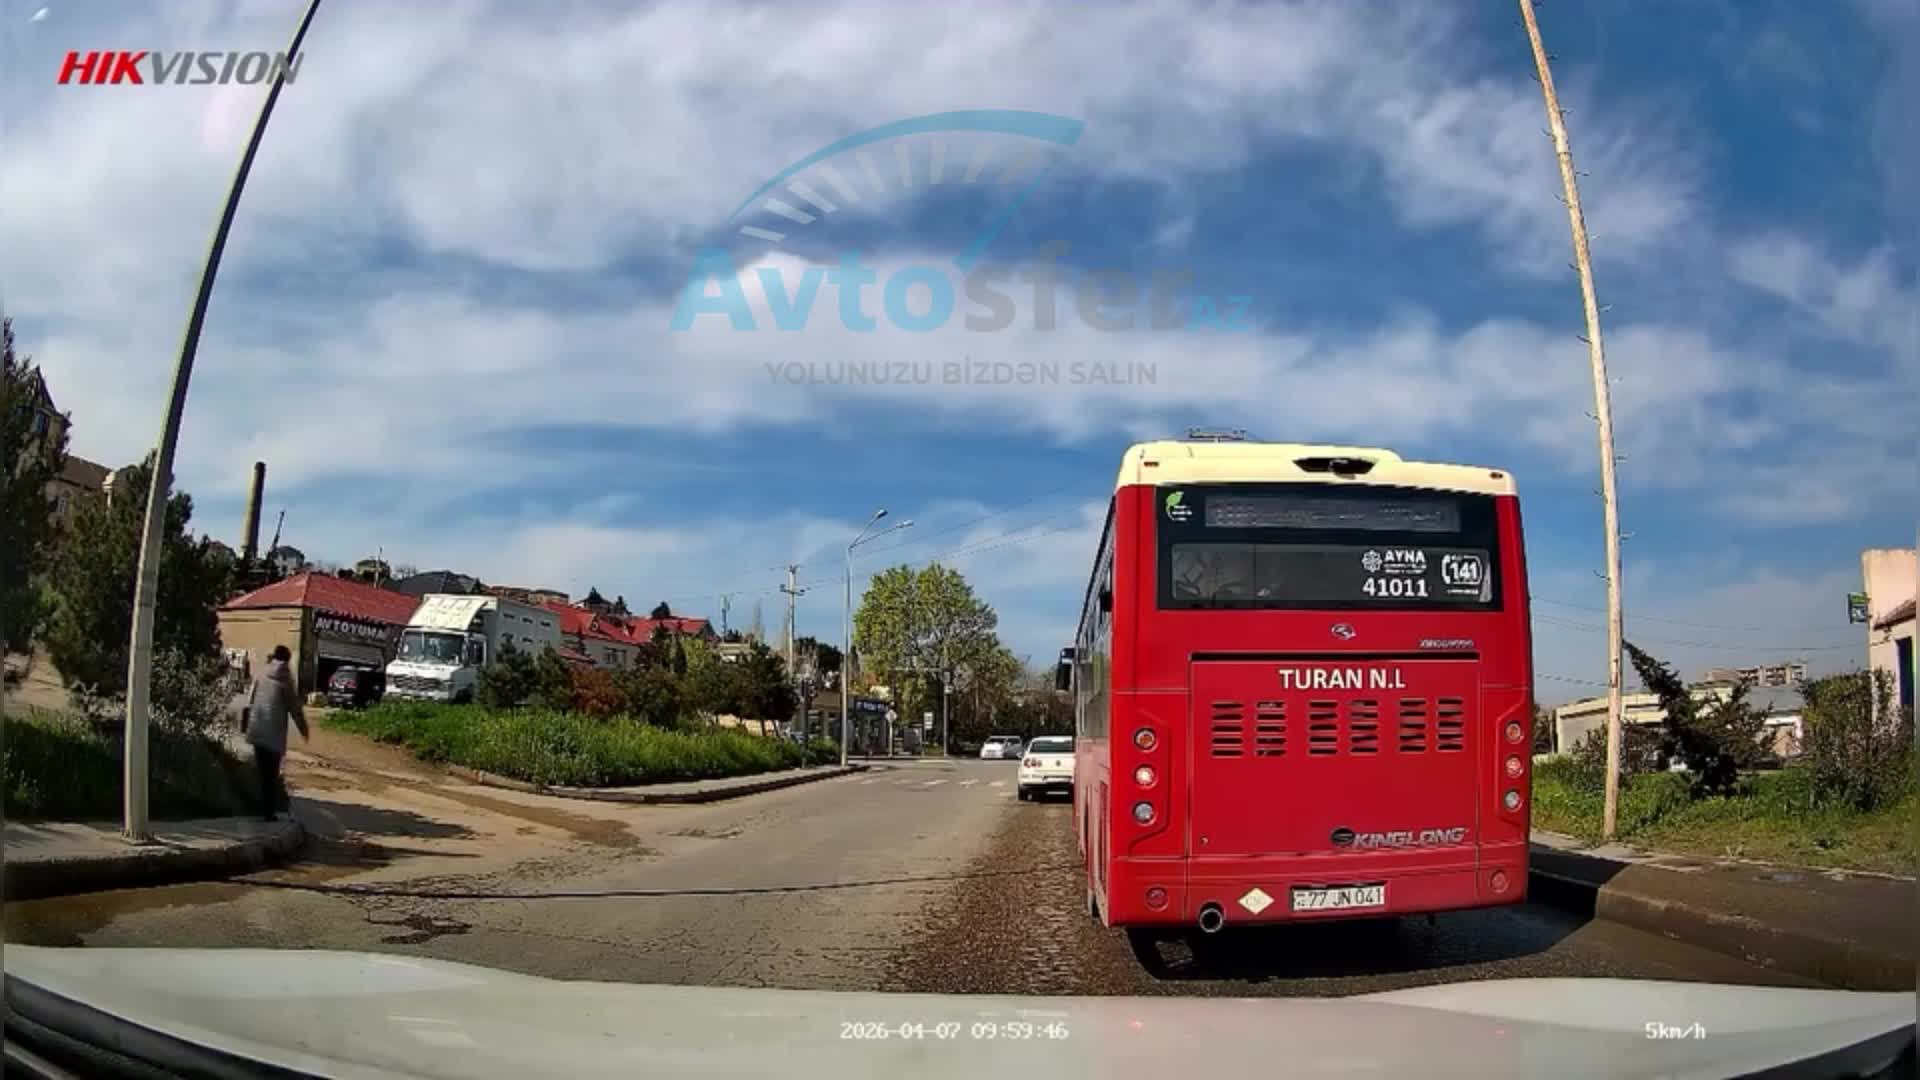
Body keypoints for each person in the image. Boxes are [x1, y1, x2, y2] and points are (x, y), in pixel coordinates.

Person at [244, 645, 308, 821]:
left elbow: (249, 700)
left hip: (257, 729)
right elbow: (294, 708)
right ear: (287, 660)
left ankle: (260, 808)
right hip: (273, 735)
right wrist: (304, 729)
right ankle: (268, 812)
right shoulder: (286, 679)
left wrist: (247, 725)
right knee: (271, 775)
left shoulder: (261, 672)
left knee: (261, 773)